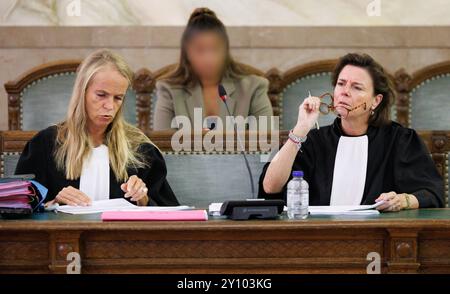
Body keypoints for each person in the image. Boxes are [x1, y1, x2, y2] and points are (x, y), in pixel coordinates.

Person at [259, 53, 444, 211]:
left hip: (376, 238)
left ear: (376, 101)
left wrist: (402, 201)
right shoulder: (312, 141)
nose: (344, 92)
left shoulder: (400, 140)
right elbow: (270, 187)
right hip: (316, 238)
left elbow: (431, 193)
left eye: (356, 87)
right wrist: (301, 128)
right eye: (341, 84)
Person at [15, 49, 179, 207]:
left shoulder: (141, 150)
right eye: (101, 95)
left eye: (118, 98)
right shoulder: (44, 145)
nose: (109, 106)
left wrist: (143, 199)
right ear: (82, 93)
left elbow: (169, 214)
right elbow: (18, 208)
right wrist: (52, 204)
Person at [153, 7, 273, 131]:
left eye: (215, 49)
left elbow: (266, 143)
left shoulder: (254, 88)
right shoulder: (169, 90)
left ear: (225, 50)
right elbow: (162, 145)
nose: (208, 58)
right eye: (200, 50)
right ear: (187, 53)